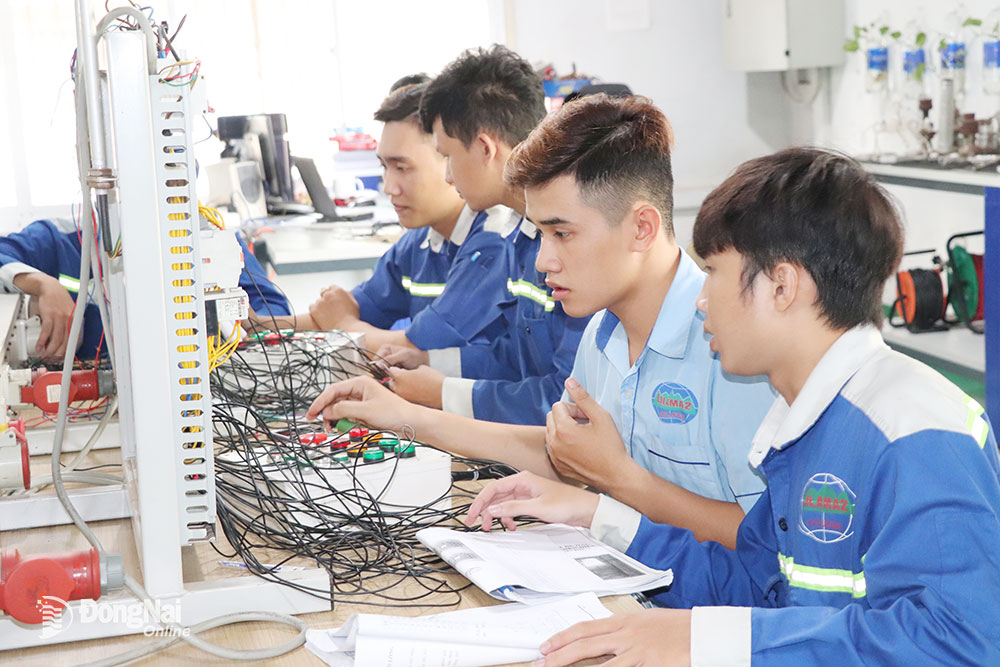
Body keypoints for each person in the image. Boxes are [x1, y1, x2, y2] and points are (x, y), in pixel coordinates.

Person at [463, 147, 1000, 666]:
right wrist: (599, 516)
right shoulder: (805, 422)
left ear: (782, 286)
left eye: (715, 273)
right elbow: (757, 583)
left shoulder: (916, 432)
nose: (701, 299)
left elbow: (958, 642)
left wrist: (708, 639)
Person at [308, 94, 775, 547]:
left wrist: (615, 487)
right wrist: (408, 417)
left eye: (562, 233)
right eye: (539, 232)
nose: (542, 260)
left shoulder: (734, 348)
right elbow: (566, 456)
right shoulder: (601, 331)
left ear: (642, 228)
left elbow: (769, 542)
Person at [372, 44, 592, 426]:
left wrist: (443, 393)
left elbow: (566, 396)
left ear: (486, 148)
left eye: (449, 156)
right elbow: (514, 358)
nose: (448, 176)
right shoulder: (523, 237)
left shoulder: (575, 242)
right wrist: (431, 363)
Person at [259, 81, 514, 355]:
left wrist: (342, 323)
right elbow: (353, 309)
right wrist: (259, 326)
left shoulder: (495, 243)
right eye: (385, 167)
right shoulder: (419, 243)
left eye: (402, 168)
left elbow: (417, 348)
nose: (389, 187)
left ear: (447, 156)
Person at [0, 216, 289, 360]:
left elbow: (274, 313)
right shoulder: (61, 239)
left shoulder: (211, 240)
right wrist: (42, 283)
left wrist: (229, 316)